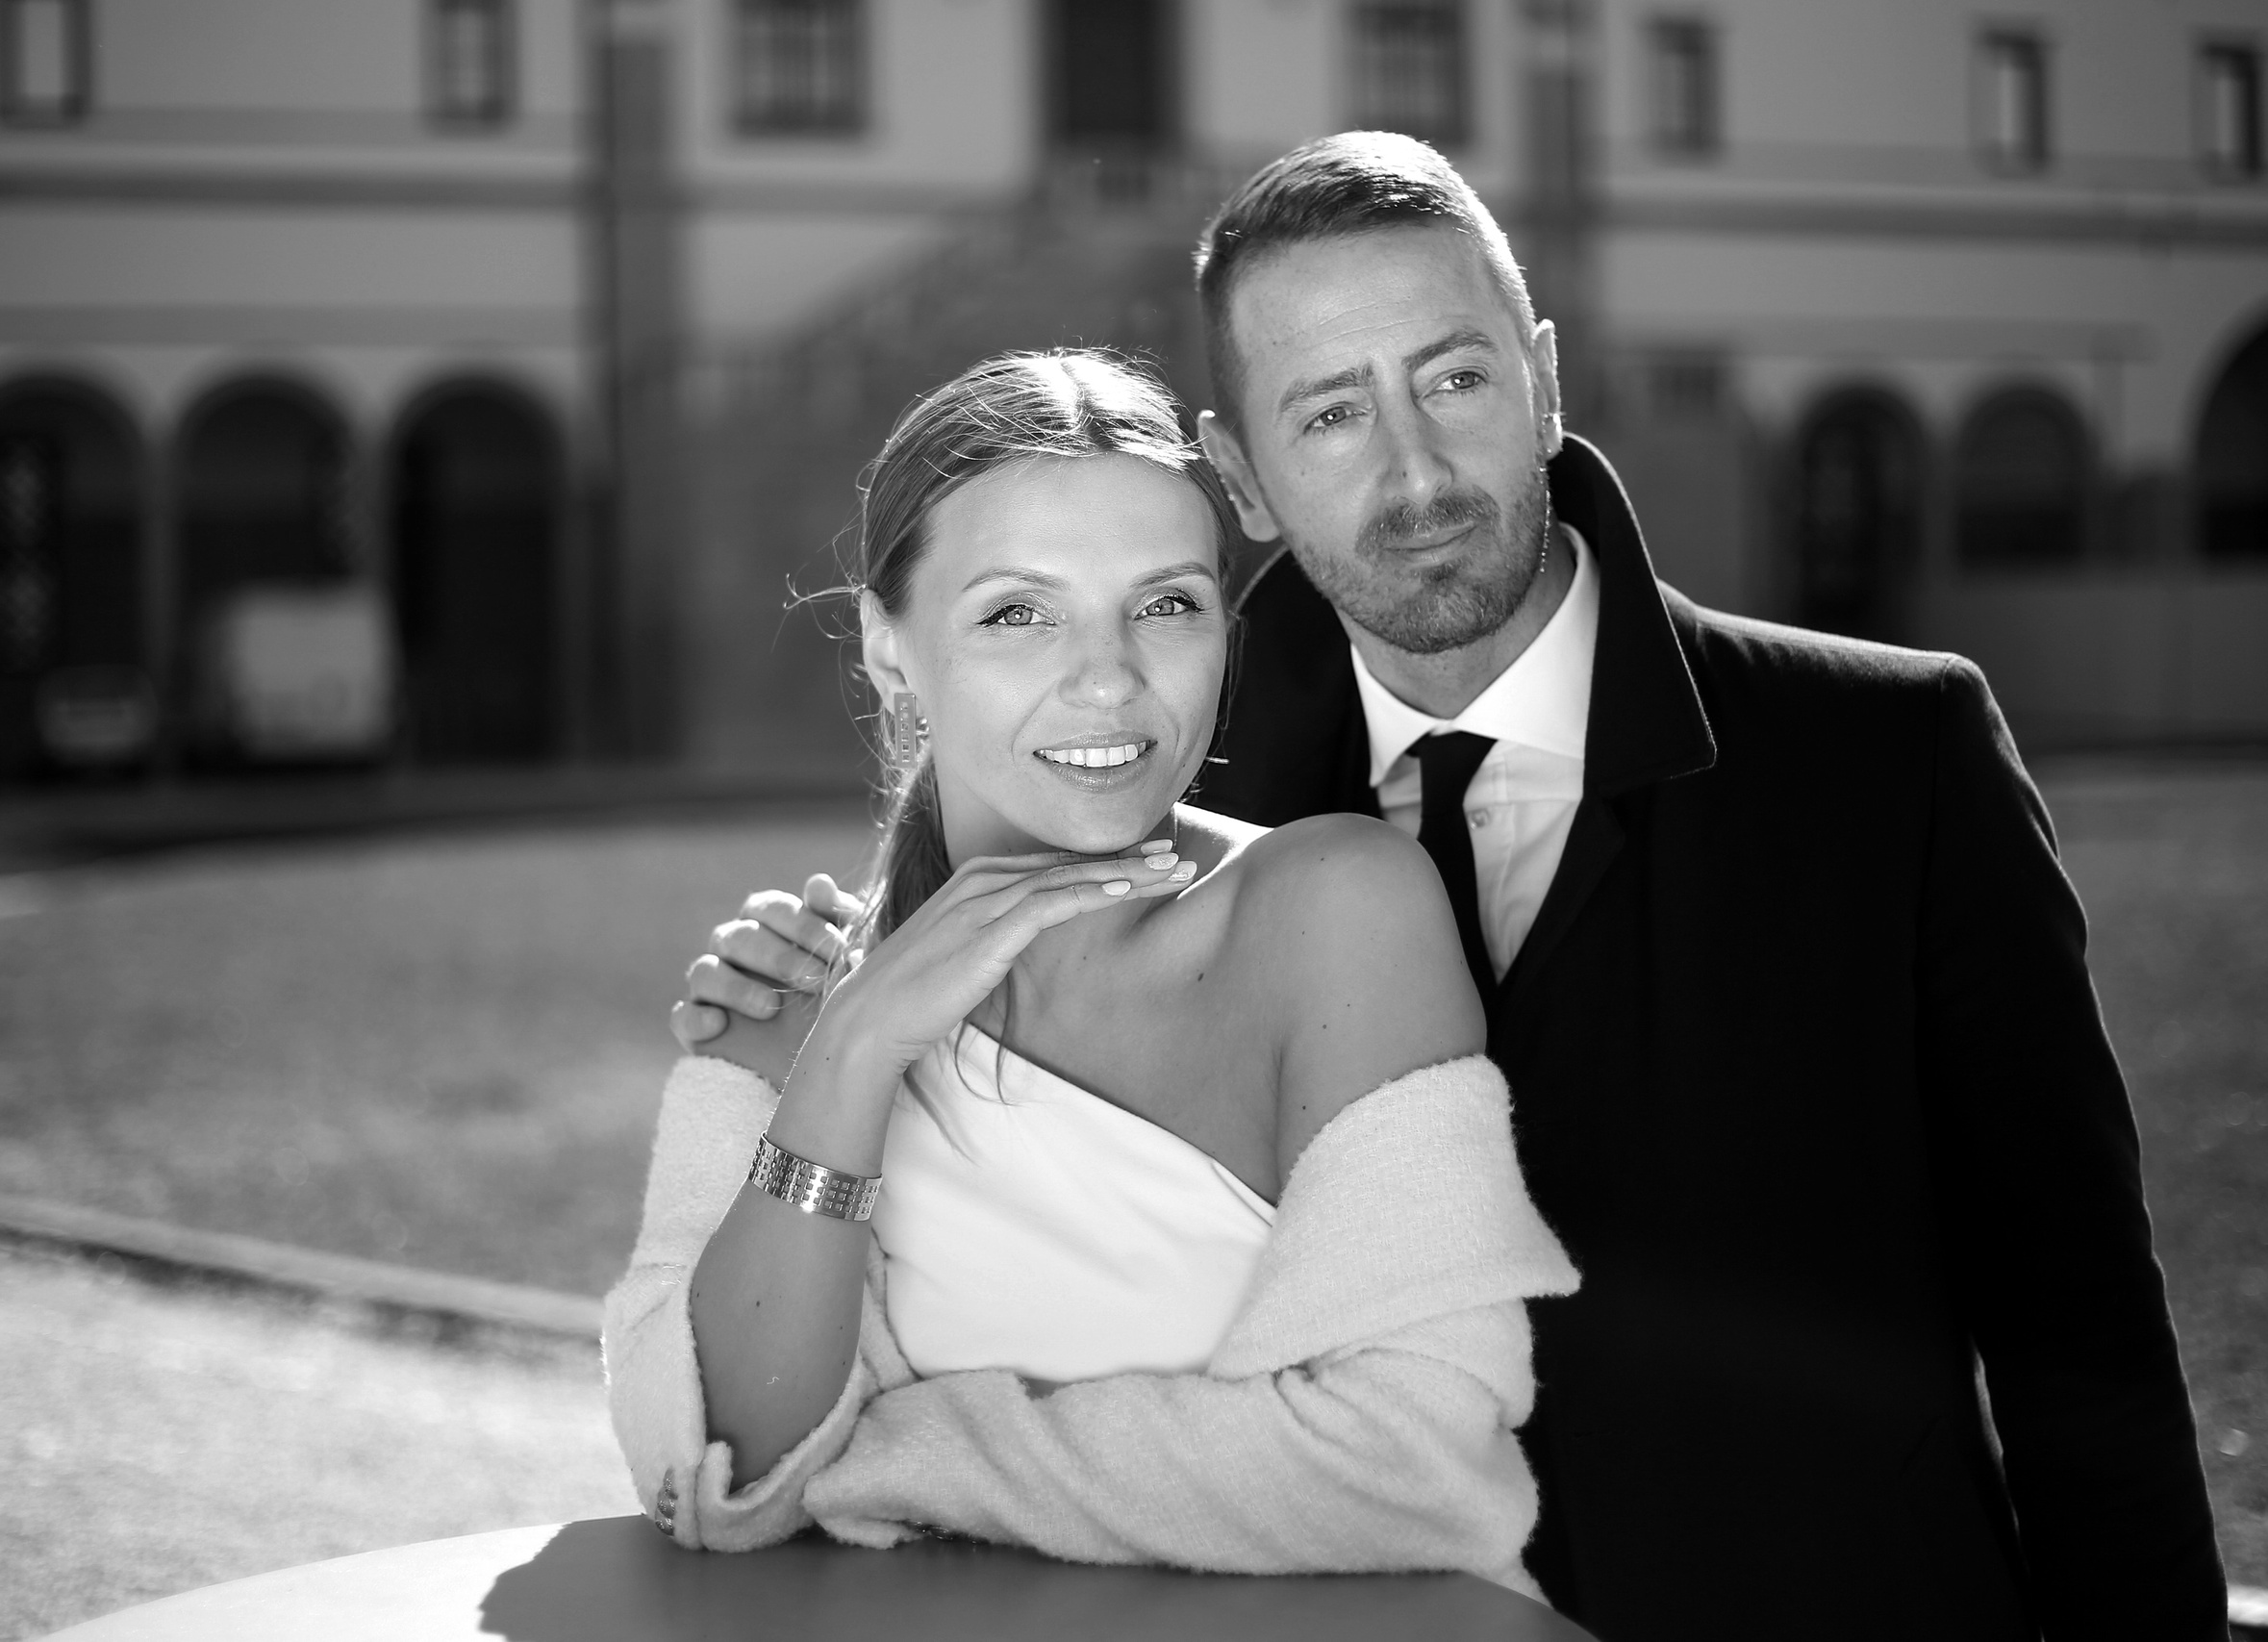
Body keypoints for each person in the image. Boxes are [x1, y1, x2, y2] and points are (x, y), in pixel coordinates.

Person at [676, 135, 2230, 1639]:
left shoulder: (1890, 756)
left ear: (1543, 382)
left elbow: (2080, 1323)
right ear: (1244, 477)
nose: (1413, 470)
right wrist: (821, 1026)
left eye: (1456, 379)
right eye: (1330, 414)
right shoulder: (1157, 792)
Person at [605, 348, 1577, 1597]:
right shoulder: (794, 1002)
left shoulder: (1336, 912)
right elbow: (697, 1460)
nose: (1110, 679)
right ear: (890, 651)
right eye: (1018, 613)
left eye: (1166, 605)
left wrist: (874, 1465)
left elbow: (1415, 1465)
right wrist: (851, 1054)